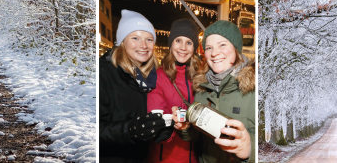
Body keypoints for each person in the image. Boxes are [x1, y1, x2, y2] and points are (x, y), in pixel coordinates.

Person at [173, 20, 255, 163]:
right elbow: (198, 137)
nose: (214, 53)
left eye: (222, 45)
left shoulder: (255, 87)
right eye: (209, 48)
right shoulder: (201, 88)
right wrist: (186, 128)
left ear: (236, 48)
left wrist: (250, 150)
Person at [100, 9, 170, 163]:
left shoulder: (151, 77)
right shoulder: (104, 73)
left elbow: (143, 121)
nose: (143, 45)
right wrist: (130, 130)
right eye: (135, 38)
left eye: (149, 39)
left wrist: (160, 129)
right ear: (122, 41)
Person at [147, 19, 201, 163]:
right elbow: (156, 124)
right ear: (171, 44)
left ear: (194, 47)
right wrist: (175, 124)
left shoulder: (199, 77)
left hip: (194, 157)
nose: (183, 47)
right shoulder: (158, 77)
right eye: (178, 40)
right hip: (166, 157)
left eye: (189, 42)